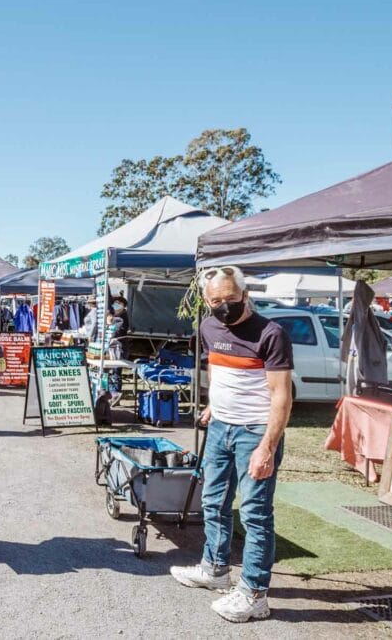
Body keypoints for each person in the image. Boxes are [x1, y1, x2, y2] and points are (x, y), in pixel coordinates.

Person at [170, 266, 293, 623]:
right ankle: (215, 569)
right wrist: (213, 406)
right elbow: (218, 371)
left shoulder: (271, 334)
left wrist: (266, 447)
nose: (223, 306)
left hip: (255, 432)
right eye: (215, 301)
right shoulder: (209, 327)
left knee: (255, 513)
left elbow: (281, 396)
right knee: (213, 501)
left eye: (230, 299)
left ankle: (255, 594)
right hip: (221, 427)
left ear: (245, 295)